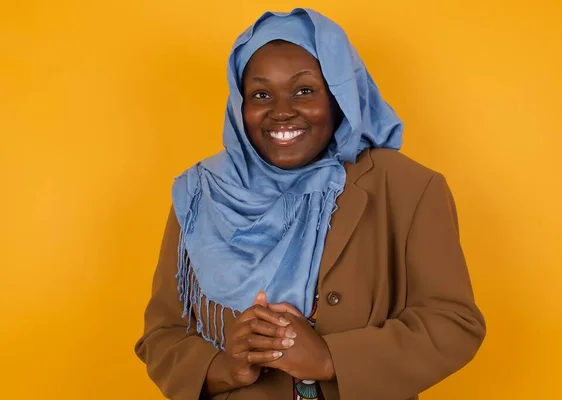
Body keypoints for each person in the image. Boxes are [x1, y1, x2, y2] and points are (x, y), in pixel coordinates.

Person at [134, 8, 486, 400]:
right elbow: (162, 335)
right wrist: (225, 368)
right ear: (240, 105)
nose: (282, 111)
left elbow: (454, 323)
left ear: (339, 96)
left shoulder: (406, 187)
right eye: (261, 94)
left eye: (304, 90)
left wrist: (330, 358)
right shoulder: (203, 192)